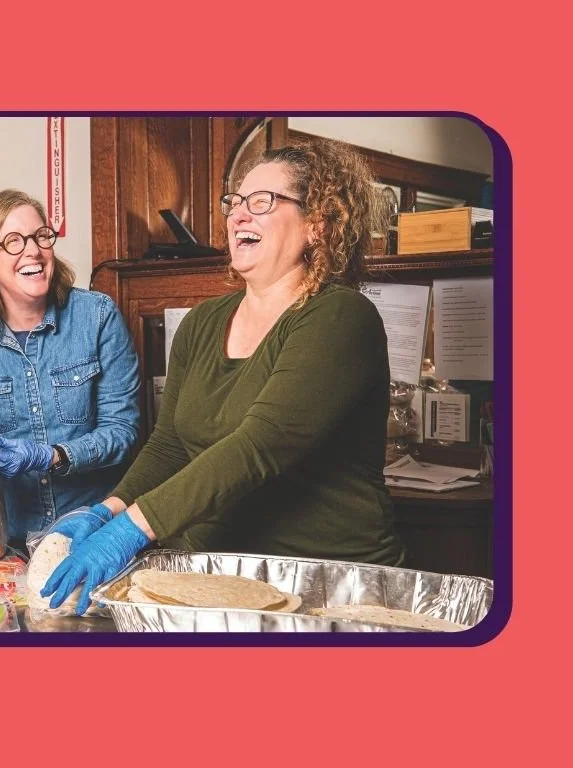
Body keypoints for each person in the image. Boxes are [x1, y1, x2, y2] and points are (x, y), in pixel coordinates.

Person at [42, 139, 405, 615]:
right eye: (234, 203)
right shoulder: (203, 322)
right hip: (217, 577)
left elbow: (258, 447)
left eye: (263, 202)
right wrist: (104, 510)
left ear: (318, 225)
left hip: (329, 586)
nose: (238, 216)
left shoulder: (339, 317)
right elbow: (169, 444)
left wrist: (132, 528)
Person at [0, 189, 140, 553]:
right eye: (13, 242)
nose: (33, 250)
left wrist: (53, 455)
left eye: (41, 236)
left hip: (95, 532)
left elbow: (122, 432)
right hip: (9, 543)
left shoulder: (97, 317)